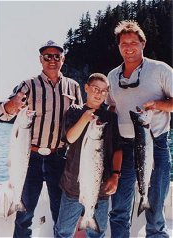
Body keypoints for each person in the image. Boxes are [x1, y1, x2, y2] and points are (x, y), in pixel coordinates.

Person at [0, 40, 83, 237]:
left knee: (61, 215)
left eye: (56, 56)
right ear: (40, 60)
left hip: (60, 158)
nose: (52, 60)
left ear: (63, 59)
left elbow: (80, 123)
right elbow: (4, 114)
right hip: (29, 159)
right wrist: (12, 105)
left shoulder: (74, 87)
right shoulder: (28, 85)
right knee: (24, 216)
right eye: (47, 56)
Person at [105, 20, 173, 238]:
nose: (128, 47)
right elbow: (112, 107)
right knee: (119, 209)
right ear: (118, 47)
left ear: (143, 43)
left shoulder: (160, 69)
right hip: (124, 147)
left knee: (155, 207)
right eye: (123, 43)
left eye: (133, 42)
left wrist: (158, 105)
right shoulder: (112, 76)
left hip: (156, 145)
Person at [55, 73, 123, 238]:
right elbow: (69, 138)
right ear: (86, 88)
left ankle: (90, 219)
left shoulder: (111, 118)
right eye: (95, 89)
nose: (99, 94)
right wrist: (84, 119)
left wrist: (115, 176)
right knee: (63, 231)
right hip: (72, 186)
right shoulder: (74, 111)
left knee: (97, 233)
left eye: (104, 91)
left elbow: (118, 149)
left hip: (101, 189)